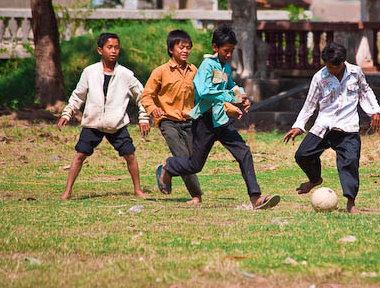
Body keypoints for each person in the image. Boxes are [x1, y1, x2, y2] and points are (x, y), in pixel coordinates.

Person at [156, 25, 280, 210]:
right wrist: (232, 98)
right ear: (215, 47)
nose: (229, 54)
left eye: (231, 51)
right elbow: (205, 91)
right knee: (195, 165)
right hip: (204, 123)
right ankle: (168, 168)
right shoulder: (207, 65)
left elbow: (230, 86)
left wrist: (242, 98)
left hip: (221, 120)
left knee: (244, 152)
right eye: (226, 51)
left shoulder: (224, 67)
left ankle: (256, 198)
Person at [283, 42, 380, 213]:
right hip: (324, 126)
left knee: (350, 163)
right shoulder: (319, 77)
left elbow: (366, 92)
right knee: (302, 155)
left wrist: (375, 111)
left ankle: (351, 203)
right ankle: (315, 179)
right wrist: (299, 126)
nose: (331, 70)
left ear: (343, 62)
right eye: (328, 66)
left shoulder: (356, 73)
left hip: (348, 127)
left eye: (334, 67)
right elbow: (310, 104)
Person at [58, 32, 150, 200]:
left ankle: (137, 189)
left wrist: (143, 118)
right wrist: (68, 113)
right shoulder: (90, 72)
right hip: (93, 123)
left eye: (116, 47)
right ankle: (67, 191)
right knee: (80, 155)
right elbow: (78, 95)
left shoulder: (126, 74)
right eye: (109, 47)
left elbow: (142, 96)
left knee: (130, 155)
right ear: (100, 50)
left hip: (116, 124)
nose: (113, 51)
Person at [140, 30, 204, 205]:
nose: (185, 51)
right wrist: (153, 109)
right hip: (168, 121)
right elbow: (146, 96)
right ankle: (196, 196)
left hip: (190, 121)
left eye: (189, 48)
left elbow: (204, 91)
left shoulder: (194, 70)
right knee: (182, 156)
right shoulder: (161, 71)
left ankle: (166, 169)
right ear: (171, 49)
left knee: (193, 160)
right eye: (181, 47)